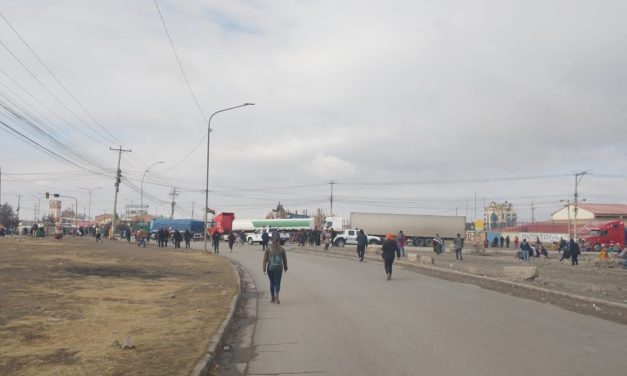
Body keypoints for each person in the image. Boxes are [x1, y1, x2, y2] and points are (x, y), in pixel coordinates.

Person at [263, 235, 288, 304]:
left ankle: (272, 298)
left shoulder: (268, 249)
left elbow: (265, 260)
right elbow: (284, 259)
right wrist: (285, 267)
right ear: (278, 240)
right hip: (279, 268)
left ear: (271, 240)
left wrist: (264, 269)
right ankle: (277, 294)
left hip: (270, 268)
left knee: (272, 283)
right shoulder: (281, 249)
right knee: (277, 283)